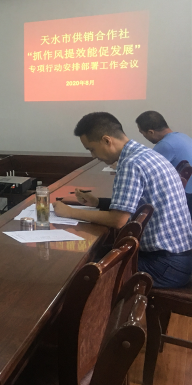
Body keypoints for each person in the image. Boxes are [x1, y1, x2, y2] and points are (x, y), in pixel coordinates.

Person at [53, 112, 192, 288]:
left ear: (106, 140)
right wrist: (97, 203)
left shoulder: (131, 163)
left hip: (165, 266)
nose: (93, 155)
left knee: (83, 274)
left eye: (91, 149)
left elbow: (118, 220)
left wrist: (70, 212)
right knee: (96, 257)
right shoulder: (145, 154)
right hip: (178, 259)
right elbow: (133, 204)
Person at [136, 110, 192, 214]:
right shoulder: (182, 136)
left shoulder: (165, 145)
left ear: (151, 132)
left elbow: (145, 171)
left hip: (186, 197)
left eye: (143, 134)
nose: (144, 137)